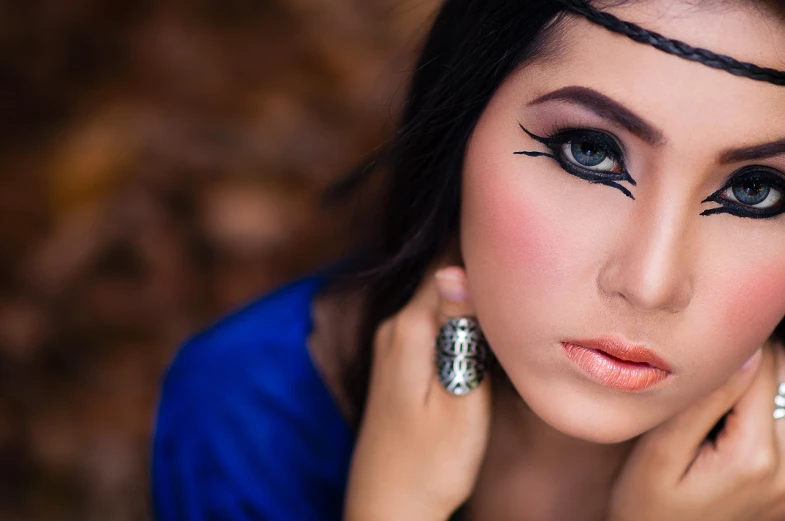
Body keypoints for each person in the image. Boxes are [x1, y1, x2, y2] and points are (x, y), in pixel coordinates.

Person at [151, 0, 785, 519]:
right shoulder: (248, 420)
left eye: (755, 191)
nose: (650, 284)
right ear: (459, 127)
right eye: (589, 151)